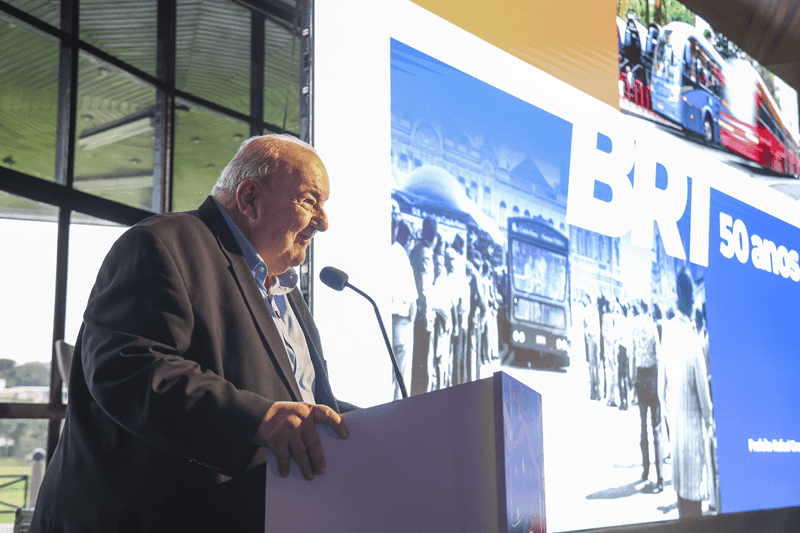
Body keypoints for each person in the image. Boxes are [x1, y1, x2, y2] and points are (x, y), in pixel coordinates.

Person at [30, 135, 354, 533]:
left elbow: (300, 402)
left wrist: (379, 424)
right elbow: (127, 370)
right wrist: (259, 418)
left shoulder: (287, 293)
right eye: (310, 201)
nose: (323, 221)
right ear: (249, 198)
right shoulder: (163, 243)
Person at [661, 269, 713, 518]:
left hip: (677, 439)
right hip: (693, 444)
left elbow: (662, 389)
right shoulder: (692, 340)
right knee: (694, 513)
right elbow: (704, 398)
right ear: (692, 301)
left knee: (682, 508)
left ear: (675, 299)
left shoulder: (667, 331)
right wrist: (710, 424)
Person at [631, 300, 663, 492]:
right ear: (648, 309)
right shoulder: (652, 326)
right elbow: (658, 355)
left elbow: (633, 354)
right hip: (652, 377)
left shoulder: (635, 327)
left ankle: (646, 471)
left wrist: (632, 377)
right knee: (656, 428)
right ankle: (660, 478)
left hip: (640, 377)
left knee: (643, 426)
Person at [390, 215, 416, 400]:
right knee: (400, 373)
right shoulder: (399, 254)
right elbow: (412, 294)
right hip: (400, 320)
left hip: (390, 319)